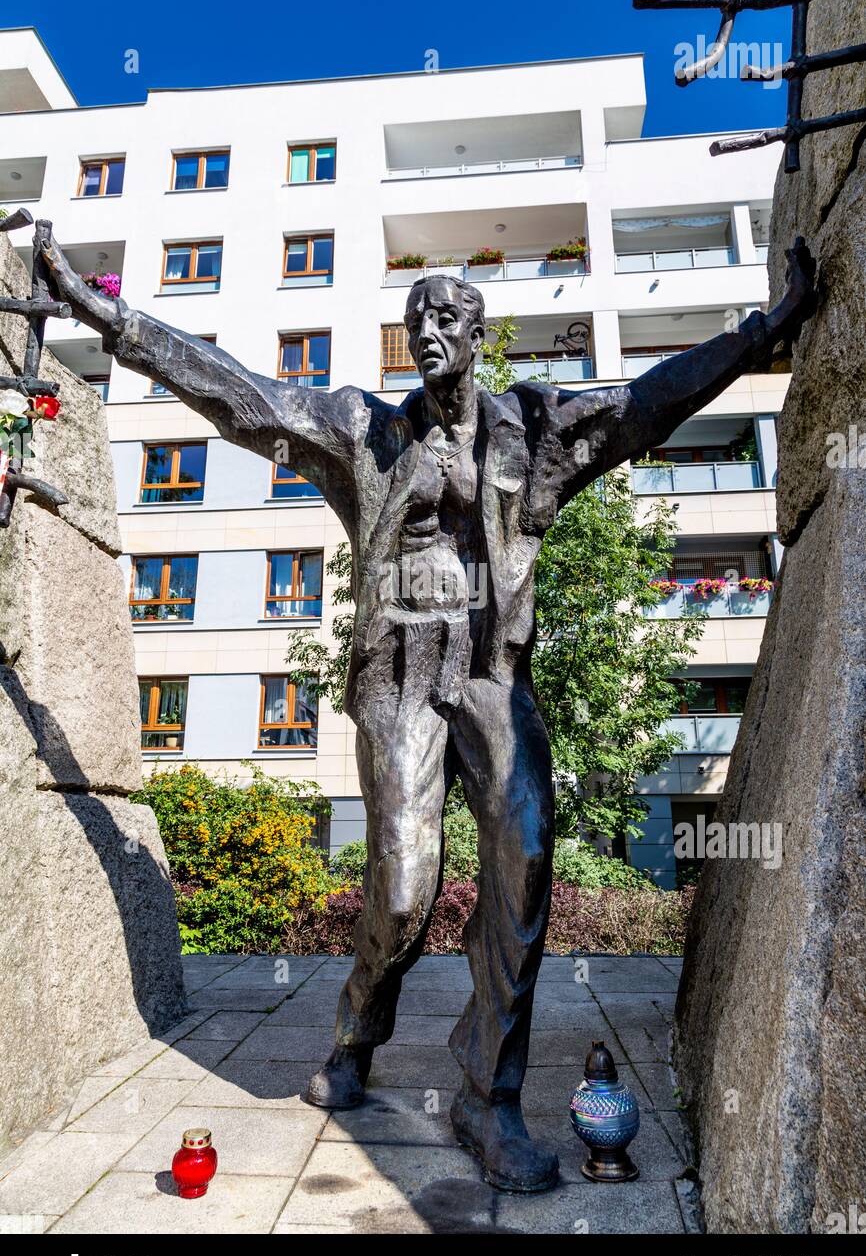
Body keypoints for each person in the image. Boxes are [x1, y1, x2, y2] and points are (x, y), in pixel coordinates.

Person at [39, 225, 816, 1192]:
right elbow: (239, 392)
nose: (429, 329)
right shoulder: (363, 431)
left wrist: (763, 332)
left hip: (491, 675)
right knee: (402, 890)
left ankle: (489, 1096)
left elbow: (648, 400)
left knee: (525, 854)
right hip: (401, 674)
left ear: (478, 334)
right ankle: (357, 1029)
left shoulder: (530, 431)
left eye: (447, 315)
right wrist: (112, 319)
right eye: (418, 318)